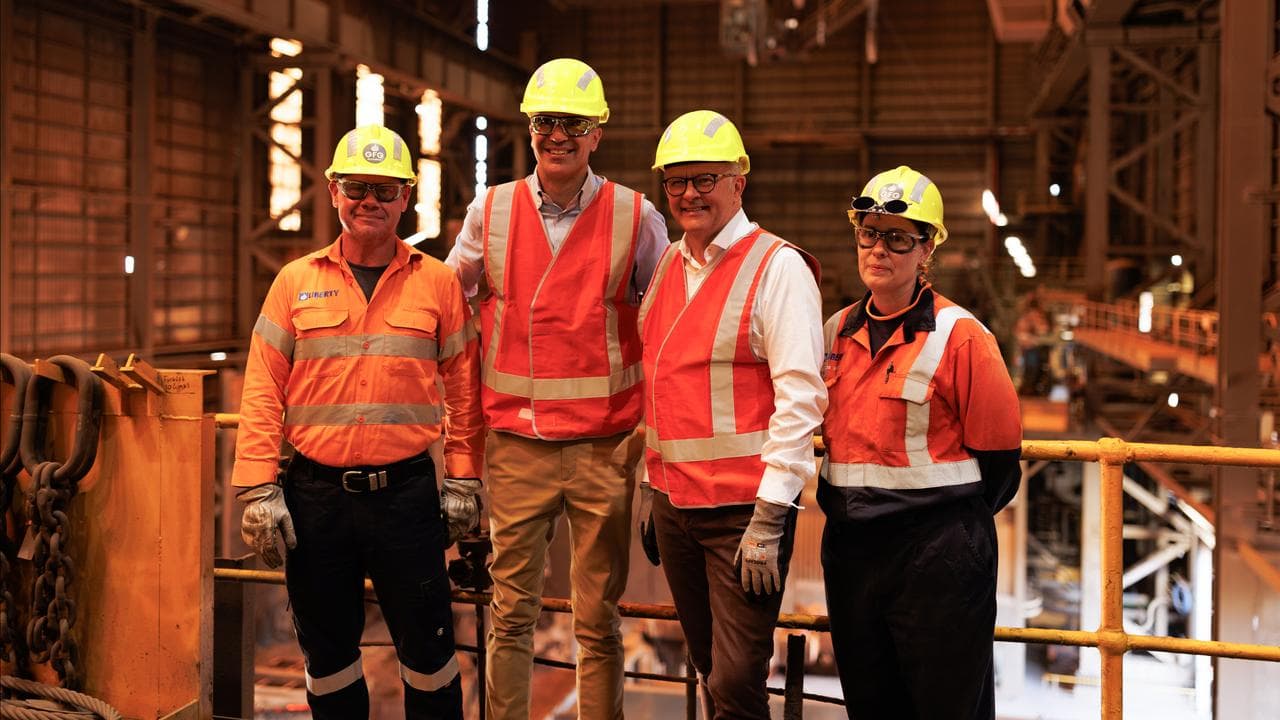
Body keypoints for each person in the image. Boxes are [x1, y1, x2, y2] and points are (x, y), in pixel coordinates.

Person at [233, 124, 484, 720]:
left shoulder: (438, 283)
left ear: (406, 197)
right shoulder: (294, 283)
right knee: (328, 658)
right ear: (333, 192)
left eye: (384, 188)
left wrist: (465, 478)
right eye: (356, 187)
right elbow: (263, 387)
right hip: (315, 498)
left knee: (429, 654)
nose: (369, 200)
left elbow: (464, 389)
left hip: (408, 499)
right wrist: (259, 487)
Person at [444, 57, 667, 720]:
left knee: (597, 622)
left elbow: (668, 323)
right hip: (517, 446)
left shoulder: (637, 217)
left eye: (572, 123)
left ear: (597, 132)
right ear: (531, 129)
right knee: (510, 613)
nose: (557, 134)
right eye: (545, 121)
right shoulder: (492, 211)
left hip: (605, 449)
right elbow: (443, 299)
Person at [638, 110, 826, 720]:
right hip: (674, 508)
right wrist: (650, 489)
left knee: (740, 680)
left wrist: (772, 516)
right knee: (709, 668)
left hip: (742, 517)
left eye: (706, 179)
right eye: (677, 181)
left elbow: (801, 397)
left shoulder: (777, 268)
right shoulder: (668, 264)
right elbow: (663, 385)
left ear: (738, 182)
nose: (689, 193)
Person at [818, 166, 1023, 719]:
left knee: (945, 708)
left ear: (926, 248)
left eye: (898, 238)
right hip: (852, 552)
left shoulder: (964, 338)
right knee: (870, 705)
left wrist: (945, 530)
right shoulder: (835, 332)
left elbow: (1002, 466)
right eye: (869, 232)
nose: (879, 249)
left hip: (938, 555)